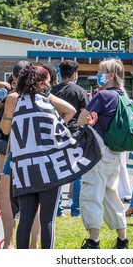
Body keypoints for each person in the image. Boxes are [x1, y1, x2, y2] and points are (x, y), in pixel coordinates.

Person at [8, 64, 93, 249]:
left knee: (24, 221)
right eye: (47, 83)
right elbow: (60, 134)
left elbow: (10, 133)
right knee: (47, 219)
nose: (49, 86)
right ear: (39, 84)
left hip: (23, 170)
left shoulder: (17, 102)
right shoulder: (44, 103)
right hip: (47, 169)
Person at [76, 58, 131, 249]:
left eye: (101, 72)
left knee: (92, 193)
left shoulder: (103, 96)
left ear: (111, 76)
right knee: (111, 195)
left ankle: (93, 241)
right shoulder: (124, 96)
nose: (98, 75)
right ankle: (122, 239)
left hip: (98, 153)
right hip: (115, 153)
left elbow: (81, 120)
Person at [0, 60, 29, 248]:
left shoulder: (27, 95)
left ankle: (10, 236)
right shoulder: (8, 94)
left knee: (11, 188)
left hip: (16, 145)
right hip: (8, 146)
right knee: (7, 186)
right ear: (14, 77)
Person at [51, 60, 90, 217]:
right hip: (74, 134)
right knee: (77, 173)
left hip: (55, 134)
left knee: (56, 172)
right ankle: (76, 210)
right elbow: (85, 114)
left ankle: (58, 209)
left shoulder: (51, 92)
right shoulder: (80, 91)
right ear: (74, 74)